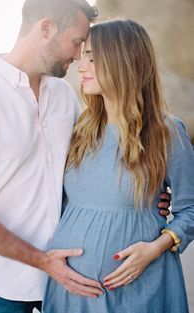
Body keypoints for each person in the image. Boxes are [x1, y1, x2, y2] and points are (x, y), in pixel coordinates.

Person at [0, 1, 170, 312]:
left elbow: (94, 164)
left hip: (72, 276)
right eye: (76, 43)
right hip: (4, 281)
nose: (77, 55)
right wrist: (43, 261)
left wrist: (151, 197)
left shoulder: (62, 96)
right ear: (46, 29)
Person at [42, 19, 194, 313]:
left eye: (93, 58)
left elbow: (191, 208)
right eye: (82, 55)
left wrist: (155, 248)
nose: (81, 66)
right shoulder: (78, 128)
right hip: (71, 293)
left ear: (123, 61)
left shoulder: (166, 131)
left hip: (140, 290)